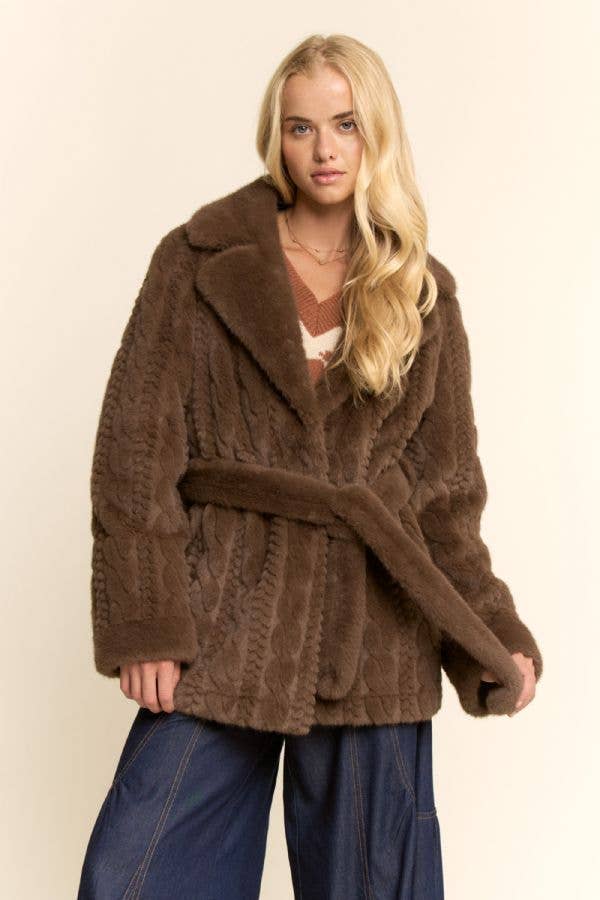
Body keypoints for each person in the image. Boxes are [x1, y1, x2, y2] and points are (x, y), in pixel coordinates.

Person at [78, 33, 543, 900]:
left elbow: (446, 502)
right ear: (277, 137)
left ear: (378, 134)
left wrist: (493, 629)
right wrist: (146, 624)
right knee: (135, 876)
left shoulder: (423, 293)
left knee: (376, 886)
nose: (324, 149)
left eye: (345, 124)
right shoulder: (197, 261)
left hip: (374, 636)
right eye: (301, 127)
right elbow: (134, 457)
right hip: (223, 617)